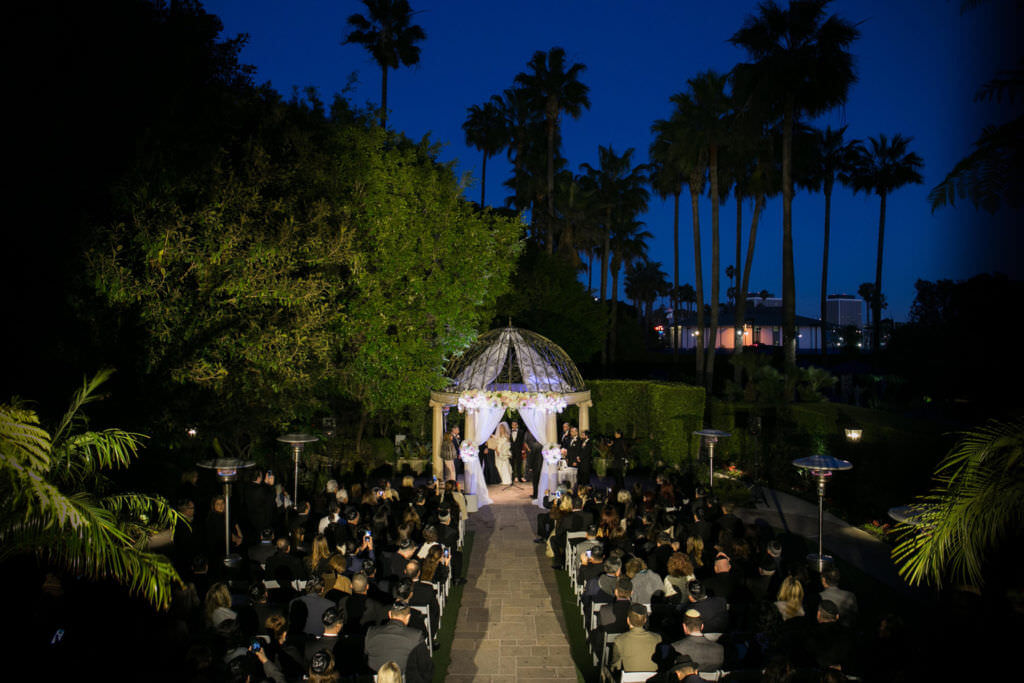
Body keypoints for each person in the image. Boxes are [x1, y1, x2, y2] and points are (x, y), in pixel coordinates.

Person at [460, 440, 492, 507]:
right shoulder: (467, 446)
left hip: (474, 459)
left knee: (473, 476)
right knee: (470, 476)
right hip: (470, 460)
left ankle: (472, 494)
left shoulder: (475, 446)